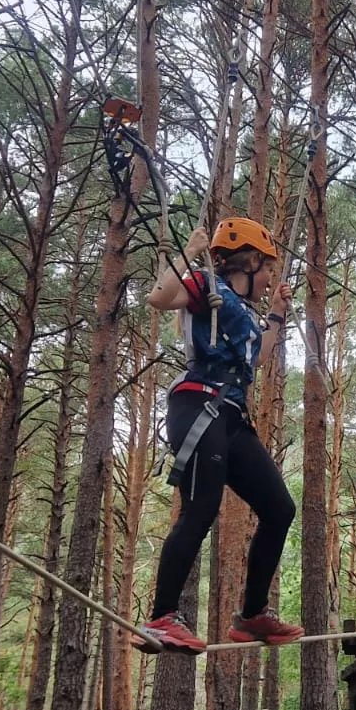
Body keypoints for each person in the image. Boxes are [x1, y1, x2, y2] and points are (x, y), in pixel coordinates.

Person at [134, 217, 303, 654]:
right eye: (266, 269)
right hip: (198, 406)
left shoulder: (243, 310)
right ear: (247, 263)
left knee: (280, 508)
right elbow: (158, 298)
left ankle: (251, 617)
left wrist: (278, 315)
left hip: (230, 416)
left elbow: (258, 358)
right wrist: (190, 251)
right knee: (201, 508)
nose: (269, 278)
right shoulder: (206, 286)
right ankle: (162, 616)